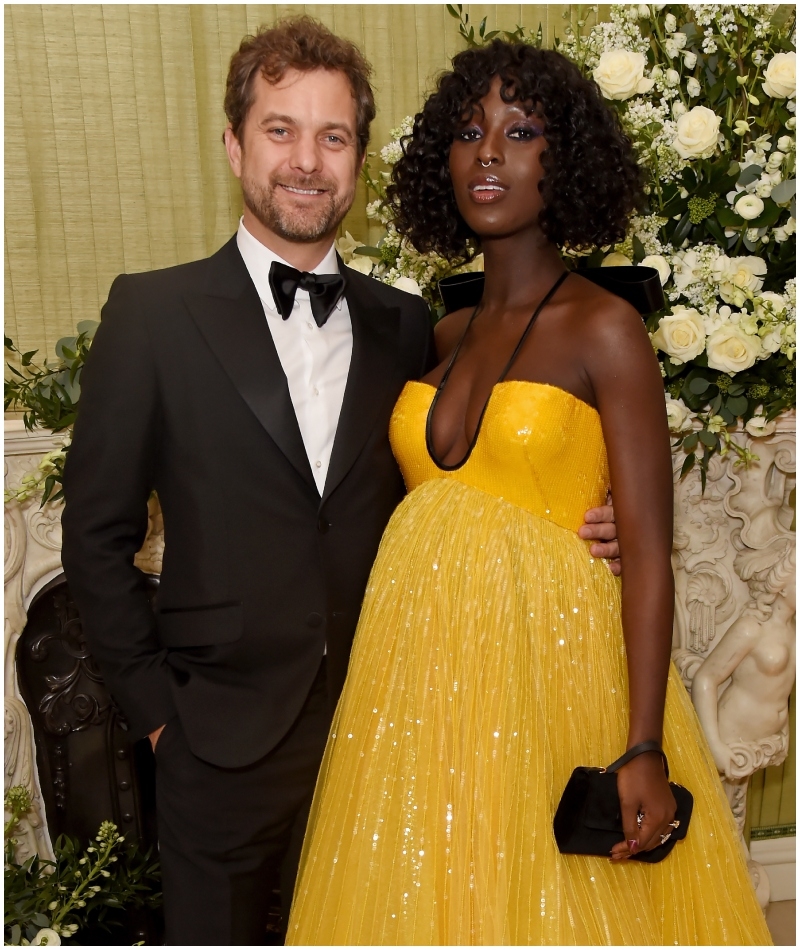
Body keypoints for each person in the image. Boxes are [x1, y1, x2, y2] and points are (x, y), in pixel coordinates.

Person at [60, 19, 620, 947]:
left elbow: (459, 491)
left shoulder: (413, 327)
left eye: (333, 137)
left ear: (359, 157)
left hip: (399, 726)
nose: (307, 163)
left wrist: (591, 522)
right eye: (281, 130)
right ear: (235, 143)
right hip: (218, 747)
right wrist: (163, 722)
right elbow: (96, 536)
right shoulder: (151, 314)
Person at [287, 41, 773, 945]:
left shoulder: (607, 329)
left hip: (556, 678)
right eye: (470, 133)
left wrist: (642, 744)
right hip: (421, 691)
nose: (489, 154)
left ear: (567, 158)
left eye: (521, 132)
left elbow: (647, 555)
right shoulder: (443, 330)